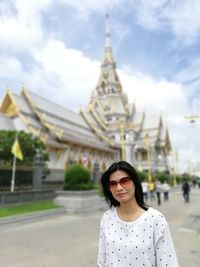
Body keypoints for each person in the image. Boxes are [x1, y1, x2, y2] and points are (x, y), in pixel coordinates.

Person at [98, 161, 180, 267]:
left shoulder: (155, 219)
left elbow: (168, 262)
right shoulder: (107, 218)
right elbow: (102, 261)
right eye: (113, 184)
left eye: (124, 181)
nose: (119, 188)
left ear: (135, 183)